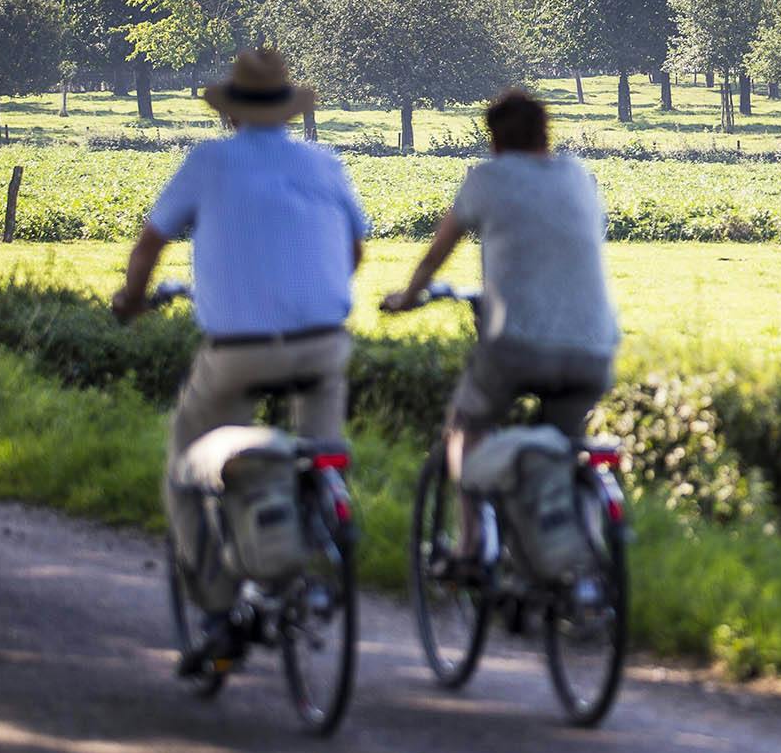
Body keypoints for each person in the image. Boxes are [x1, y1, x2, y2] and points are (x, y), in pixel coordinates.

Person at [111, 48, 367, 672]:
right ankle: (324, 532)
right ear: (287, 108)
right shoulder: (324, 163)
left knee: (187, 468)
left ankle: (220, 610)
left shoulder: (209, 162)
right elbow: (355, 246)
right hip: (324, 343)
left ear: (231, 112)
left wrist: (131, 301)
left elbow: (151, 243)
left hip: (237, 355)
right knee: (320, 448)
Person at [384, 88, 618, 560]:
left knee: (466, 425)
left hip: (516, 346)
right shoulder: (578, 177)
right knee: (564, 449)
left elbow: (438, 251)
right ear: (545, 133)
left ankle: (472, 544)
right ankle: (580, 563)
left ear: (493, 139)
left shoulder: (487, 180)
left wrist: (407, 297)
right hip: (595, 348)